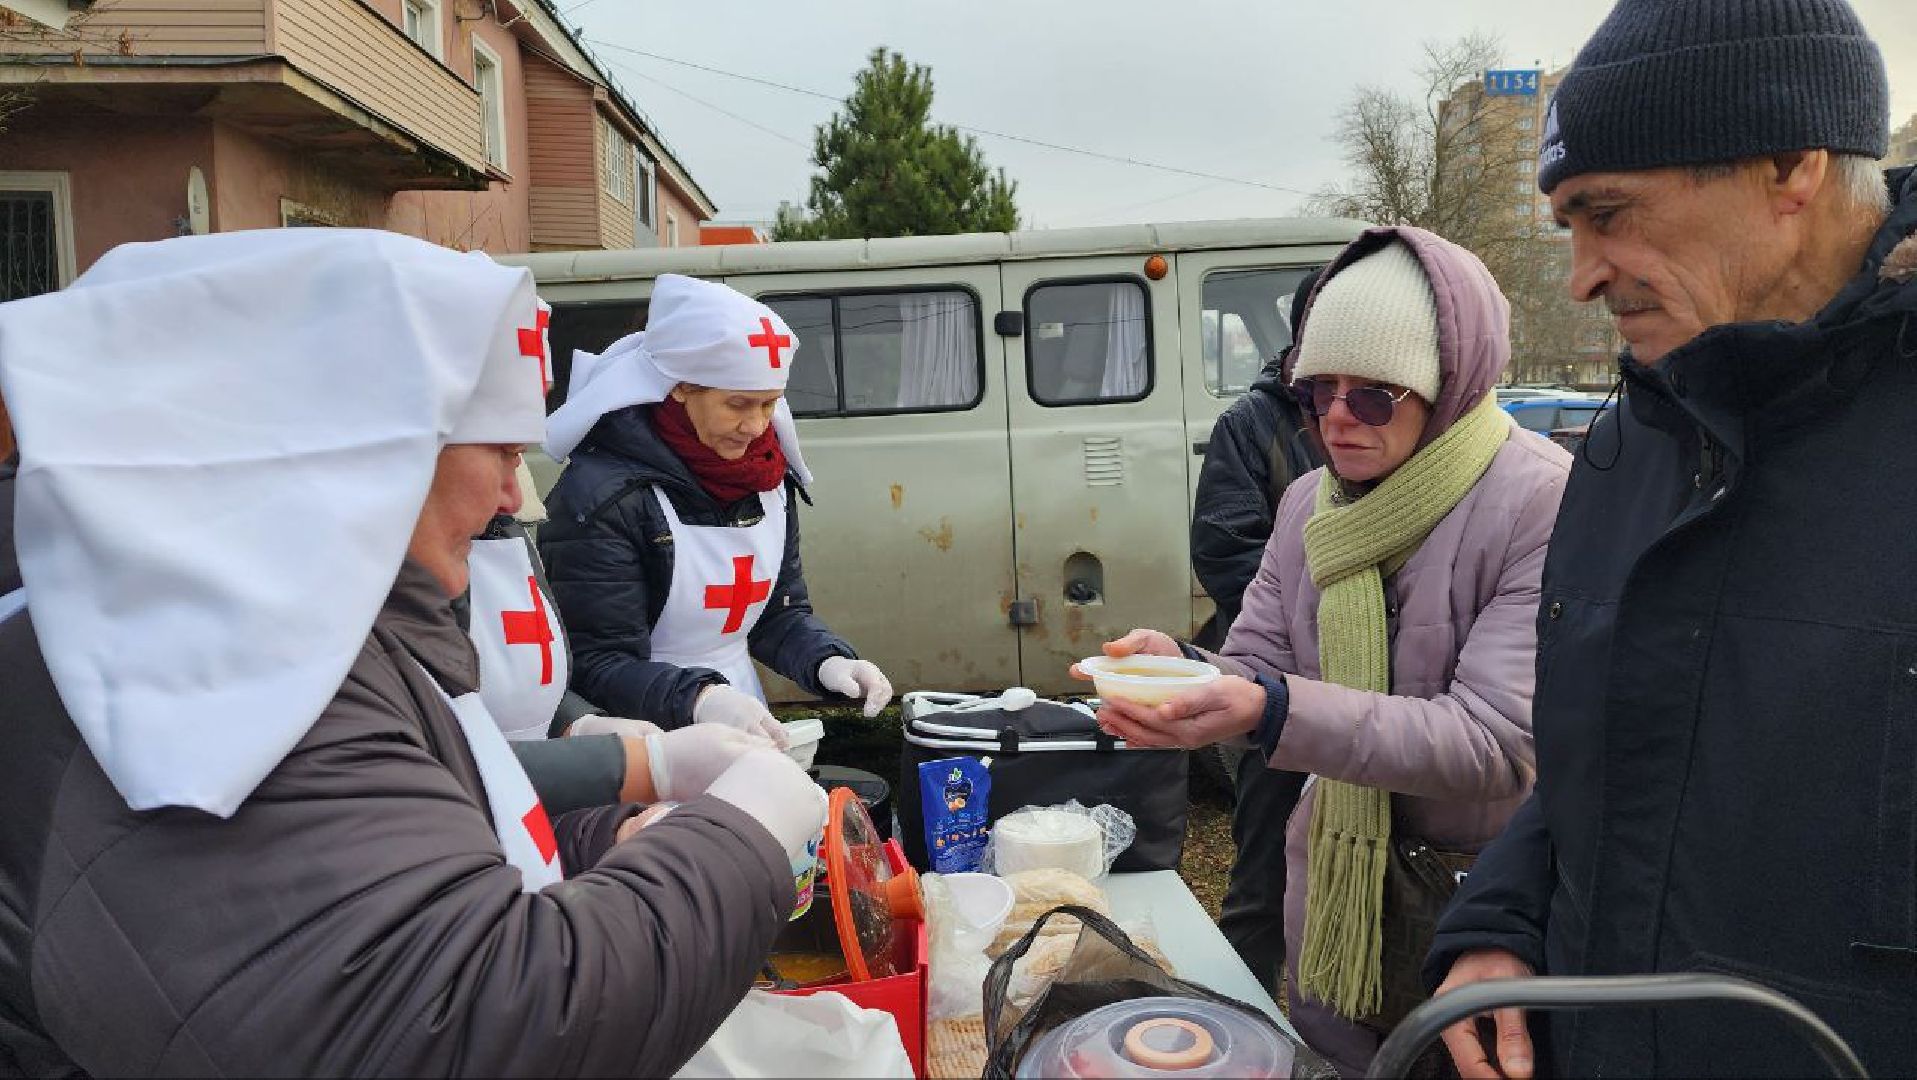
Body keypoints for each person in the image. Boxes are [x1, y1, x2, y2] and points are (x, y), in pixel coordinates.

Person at [0, 229, 825, 1076]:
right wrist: (741, 833)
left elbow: (400, 847)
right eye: (503, 453)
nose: (518, 496)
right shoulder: (208, 665)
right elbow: (469, 1018)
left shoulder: (299, 619)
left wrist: (603, 836)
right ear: (375, 451)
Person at [1426, 1, 1917, 1076]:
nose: (1581, 276)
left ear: (1789, 165)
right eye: (1567, 226)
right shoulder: (1630, 447)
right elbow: (1599, 768)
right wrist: (1500, 924)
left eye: (1609, 213)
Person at [1085, 227, 1570, 1077]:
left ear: (1447, 387)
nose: (1337, 419)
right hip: (1335, 888)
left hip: (1475, 909)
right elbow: (1258, 665)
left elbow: (1494, 745)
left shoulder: (1539, 500)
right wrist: (1183, 674)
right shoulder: (1310, 500)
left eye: (1375, 395)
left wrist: (1271, 709)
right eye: (1316, 392)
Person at [538, 274, 893, 739]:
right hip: (639, 738)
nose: (754, 427)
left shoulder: (767, 477)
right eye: (738, 404)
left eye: (769, 405)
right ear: (680, 387)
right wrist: (700, 699)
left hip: (739, 711)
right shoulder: (603, 498)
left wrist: (829, 661)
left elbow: (777, 614)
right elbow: (596, 662)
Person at [1191, 267, 1323, 995]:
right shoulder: (1251, 423)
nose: (1340, 413)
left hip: (1385, 704)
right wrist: (1316, 633)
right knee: (1260, 882)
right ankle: (1235, 1017)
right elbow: (1223, 547)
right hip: (1277, 688)